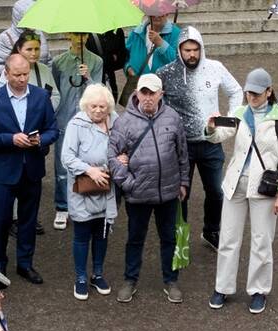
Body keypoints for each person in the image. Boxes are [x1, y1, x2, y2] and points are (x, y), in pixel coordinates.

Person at [204, 69, 278, 315]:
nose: (251, 97)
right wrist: (211, 128)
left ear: (269, 92)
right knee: (228, 239)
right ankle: (222, 287)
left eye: (256, 93)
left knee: (261, 240)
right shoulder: (239, 113)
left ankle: (258, 290)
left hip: (264, 187)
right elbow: (219, 136)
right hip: (235, 184)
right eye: (248, 92)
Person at [156, 27, 242, 251]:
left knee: (216, 191)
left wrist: (229, 118)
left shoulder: (215, 68)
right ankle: (179, 238)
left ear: (201, 48)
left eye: (195, 49)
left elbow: (236, 91)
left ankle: (211, 230)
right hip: (180, 147)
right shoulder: (166, 73)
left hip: (210, 142)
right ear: (179, 50)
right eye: (187, 50)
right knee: (180, 194)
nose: (192, 54)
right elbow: (153, 100)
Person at [107, 73, 189, 304]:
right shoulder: (124, 122)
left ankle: (170, 281)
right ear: (136, 93)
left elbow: (182, 153)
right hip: (138, 195)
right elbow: (112, 157)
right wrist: (130, 184)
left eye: (152, 92)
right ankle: (130, 280)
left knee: (169, 238)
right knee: (135, 238)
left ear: (161, 94)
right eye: (144, 92)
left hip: (168, 192)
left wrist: (184, 182)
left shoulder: (172, 118)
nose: (148, 97)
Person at [0, 54, 58, 284]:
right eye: (17, 75)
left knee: (29, 219)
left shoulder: (41, 96)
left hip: (32, 168)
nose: (22, 79)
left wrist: (40, 140)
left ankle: (25, 263)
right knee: (1, 220)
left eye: (25, 74)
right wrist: (10, 139)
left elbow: (53, 129)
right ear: (6, 73)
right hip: (4, 171)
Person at [62, 83, 117, 301]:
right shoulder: (76, 124)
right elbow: (67, 157)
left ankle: (98, 273)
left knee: (102, 232)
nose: (98, 111)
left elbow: (125, 144)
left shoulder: (116, 121)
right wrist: (90, 170)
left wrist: (122, 158)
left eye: (102, 107)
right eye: (93, 106)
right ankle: (82, 277)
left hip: (108, 188)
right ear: (86, 105)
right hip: (82, 188)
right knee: (82, 234)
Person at [51, 33, 104, 231]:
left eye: (83, 34)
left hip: (87, 121)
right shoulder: (59, 62)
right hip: (64, 119)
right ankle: (62, 206)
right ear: (67, 35)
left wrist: (88, 78)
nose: (79, 38)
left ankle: (84, 203)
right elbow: (55, 91)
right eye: (75, 34)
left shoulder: (96, 61)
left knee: (88, 162)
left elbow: (98, 92)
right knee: (62, 166)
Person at [0, 0, 52, 78]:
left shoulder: (39, 33)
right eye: (30, 16)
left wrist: (46, 77)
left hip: (40, 84)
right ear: (19, 17)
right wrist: (16, 74)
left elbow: (48, 61)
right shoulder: (5, 38)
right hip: (16, 86)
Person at [87, 29, 128, 101]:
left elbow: (121, 57)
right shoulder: (87, 34)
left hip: (108, 77)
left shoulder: (117, 31)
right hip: (94, 78)